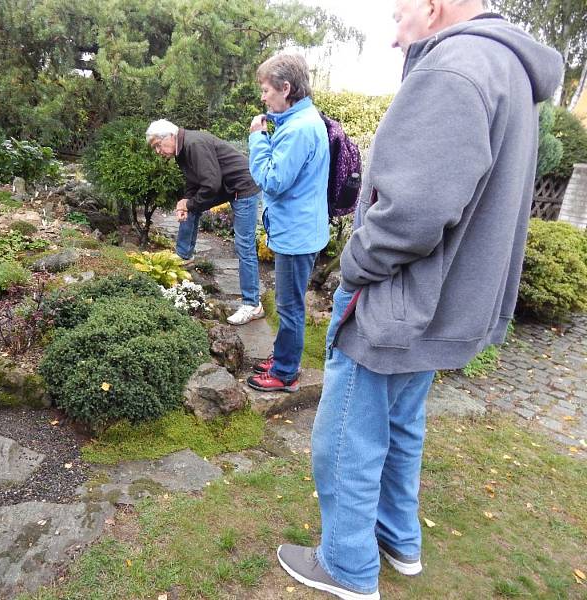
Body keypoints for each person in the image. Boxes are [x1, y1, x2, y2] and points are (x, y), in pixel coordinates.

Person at [275, 1, 563, 599]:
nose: (392, 35)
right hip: (443, 303)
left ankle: (349, 567)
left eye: (398, 15)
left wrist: (353, 268)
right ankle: (398, 540)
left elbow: (414, 212)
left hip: (400, 302)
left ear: (432, 7)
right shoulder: (505, 67)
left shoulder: (454, 67)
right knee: (401, 422)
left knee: (348, 432)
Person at [246, 54, 330, 392]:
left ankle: (284, 373)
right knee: (289, 303)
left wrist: (257, 138)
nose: (263, 97)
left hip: (297, 235)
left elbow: (272, 180)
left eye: (266, 90)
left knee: (290, 307)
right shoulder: (304, 118)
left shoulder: (297, 129)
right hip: (303, 228)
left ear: (286, 88)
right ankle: (283, 356)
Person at [146, 119, 265, 325]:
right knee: (188, 205)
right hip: (225, 185)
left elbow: (210, 184)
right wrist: (185, 204)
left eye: (158, 145)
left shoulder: (193, 144)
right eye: (155, 147)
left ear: (170, 136)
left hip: (243, 186)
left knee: (244, 245)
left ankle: (252, 305)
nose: (158, 151)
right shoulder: (181, 150)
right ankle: (183, 257)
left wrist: (190, 204)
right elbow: (195, 183)